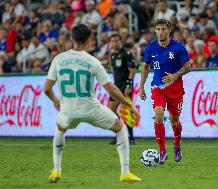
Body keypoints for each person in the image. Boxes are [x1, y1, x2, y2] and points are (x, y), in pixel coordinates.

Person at [44, 24, 141, 183]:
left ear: (73, 38)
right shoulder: (93, 61)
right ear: (89, 40)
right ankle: (125, 172)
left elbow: (47, 88)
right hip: (91, 109)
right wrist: (129, 106)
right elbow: (112, 89)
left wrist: (56, 101)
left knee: (60, 130)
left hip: (68, 110)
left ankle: (56, 170)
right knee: (120, 129)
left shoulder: (58, 59)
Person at [139, 19, 190, 164]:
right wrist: (142, 87)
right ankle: (162, 151)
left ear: (169, 30)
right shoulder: (150, 48)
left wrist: (175, 75)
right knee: (159, 115)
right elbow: (145, 68)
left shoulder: (178, 47)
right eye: (158, 29)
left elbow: (187, 67)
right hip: (158, 88)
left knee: (174, 122)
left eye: (163, 29)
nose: (161, 32)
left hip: (175, 89)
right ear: (155, 31)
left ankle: (177, 144)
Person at [108, 33, 137, 145]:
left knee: (126, 110)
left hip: (125, 85)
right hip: (116, 85)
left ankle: (131, 137)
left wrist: (129, 85)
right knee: (111, 110)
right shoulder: (112, 55)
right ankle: (119, 134)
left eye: (117, 41)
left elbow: (133, 69)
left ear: (120, 41)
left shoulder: (127, 54)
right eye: (113, 41)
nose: (115, 43)